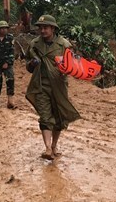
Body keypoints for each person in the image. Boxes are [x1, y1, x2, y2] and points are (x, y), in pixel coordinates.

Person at [25, 14, 81, 160]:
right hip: (41, 85)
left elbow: (74, 66)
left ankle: (54, 145)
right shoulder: (34, 45)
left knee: (59, 118)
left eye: (45, 28)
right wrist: (32, 64)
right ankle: (48, 148)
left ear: (53, 29)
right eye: (40, 28)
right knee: (45, 116)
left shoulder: (64, 45)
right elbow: (28, 67)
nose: (42, 31)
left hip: (59, 86)